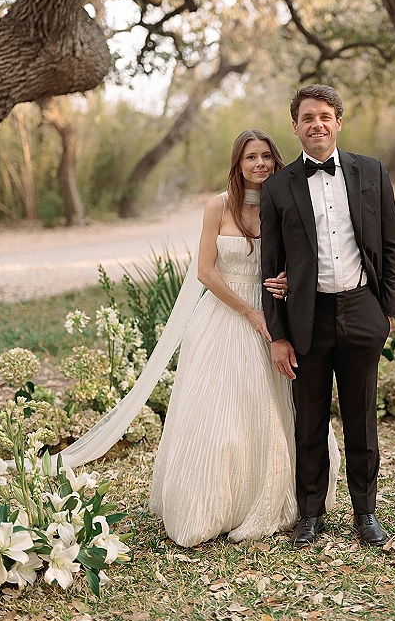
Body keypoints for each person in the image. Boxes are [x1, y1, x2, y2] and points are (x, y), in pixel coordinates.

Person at [61, 128, 339, 547]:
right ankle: (211, 502)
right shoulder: (218, 206)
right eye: (251, 157)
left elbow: (305, 257)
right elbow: (205, 271)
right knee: (221, 412)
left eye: (266, 156)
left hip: (274, 316)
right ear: (238, 163)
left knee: (270, 408)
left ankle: (272, 497)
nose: (260, 164)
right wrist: (248, 311)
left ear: (276, 160)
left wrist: (284, 287)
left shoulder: (286, 203)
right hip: (225, 315)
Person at [260, 85, 395, 548]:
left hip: (363, 309)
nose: (316, 124)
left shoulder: (372, 172)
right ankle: (310, 516)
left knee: (362, 418)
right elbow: (270, 266)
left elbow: (392, 245)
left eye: (324, 116)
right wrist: (278, 333)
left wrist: (387, 312)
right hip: (308, 316)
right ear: (296, 126)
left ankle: (365, 513)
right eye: (307, 117)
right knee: (310, 421)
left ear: (338, 121)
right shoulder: (278, 186)